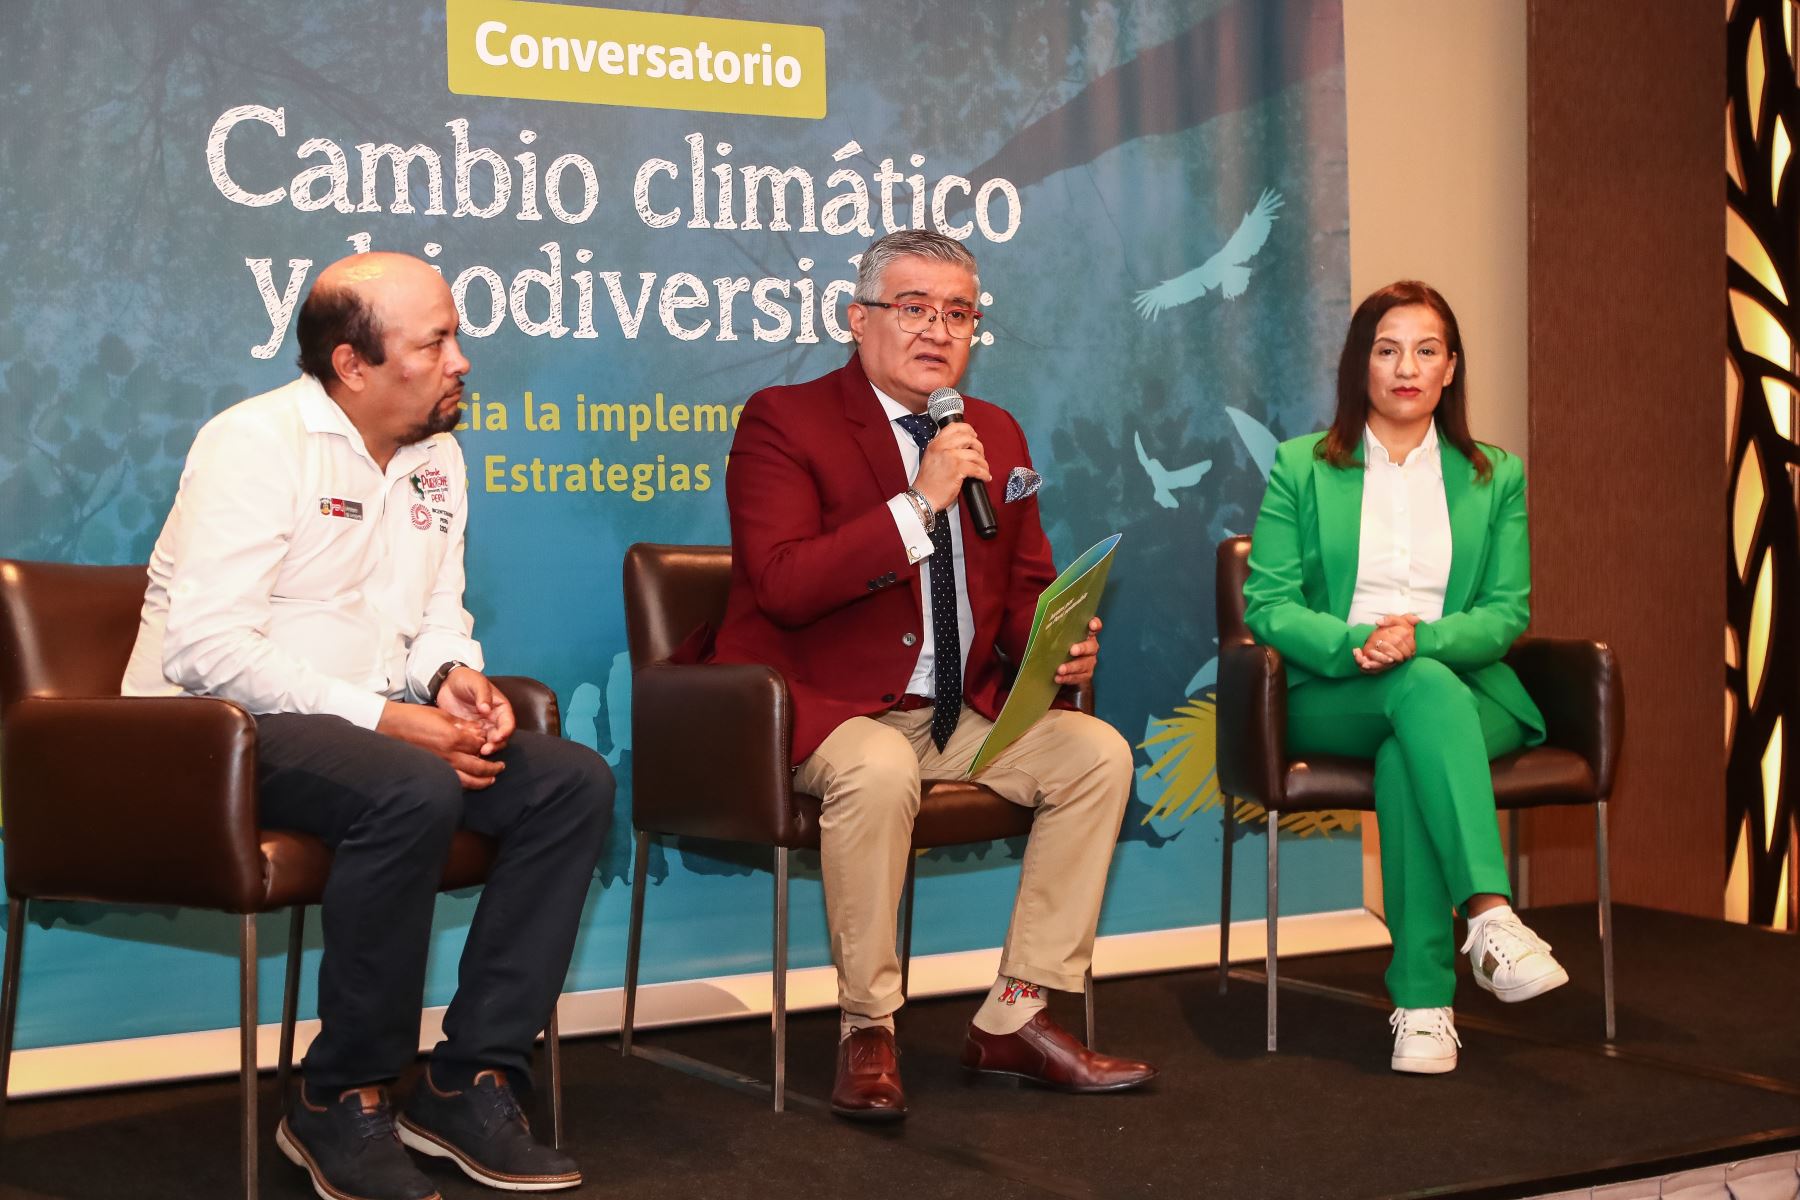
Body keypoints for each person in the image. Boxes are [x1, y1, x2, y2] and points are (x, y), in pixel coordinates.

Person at [123, 253, 612, 1198]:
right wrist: (393, 720)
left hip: (363, 730)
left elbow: (434, 612)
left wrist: (452, 675)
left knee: (569, 781)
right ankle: (340, 1094)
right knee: (410, 782)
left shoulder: (437, 456)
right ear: (353, 364)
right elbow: (207, 648)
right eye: (436, 342)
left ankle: (471, 1077)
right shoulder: (255, 442)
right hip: (208, 736)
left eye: (456, 336)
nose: (462, 360)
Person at [710, 229, 1157, 1121]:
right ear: (857, 318)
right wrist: (919, 503)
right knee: (876, 769)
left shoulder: (993, 431)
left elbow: (1025, 578)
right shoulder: (783, 419)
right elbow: (786, 585)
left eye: (959, 313)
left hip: (956, 711)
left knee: (1097, 753)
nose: (937, 330)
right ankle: (867, 1027)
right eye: (913, 308)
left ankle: (1016, 1017)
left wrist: (1057, 640)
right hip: (826, 710)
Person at [1242, 280, 1567, 1075]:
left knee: (1413, 730)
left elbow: (1504, 613)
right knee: (1413, 701)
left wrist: (1420, 637)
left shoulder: (1496, 475)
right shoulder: (1303, 468)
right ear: (1361, 366)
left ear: (1451, 368)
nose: (1406, 368)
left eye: (1426, 350)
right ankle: (1489, 916)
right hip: (1337, 690)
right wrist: (1361, 641)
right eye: (1386, 350)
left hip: (1466, 691)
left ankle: (1423, 1004)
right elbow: (1268, 604)